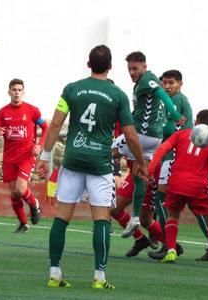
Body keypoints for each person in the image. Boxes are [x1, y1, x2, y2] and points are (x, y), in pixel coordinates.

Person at [36, 45, 147, 289]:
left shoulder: (72, 89)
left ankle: (55, 273)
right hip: (100, 163)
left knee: (62, 217)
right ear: (110, 66)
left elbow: (55, 124)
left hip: (73, 160)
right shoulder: (118, 95)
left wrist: (45, 156)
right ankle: (99, 277)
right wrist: (140, 161)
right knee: (101, 219)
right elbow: (130, 134)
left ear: (88, 64)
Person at [148, 109, 208, 265]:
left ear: (195, 122)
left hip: (175, 183)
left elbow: (162, 149)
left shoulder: (182, 134)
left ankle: (171, 251)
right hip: (198, 186)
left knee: (172, 215)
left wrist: (151, 169)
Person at [147, 70, 208, 261]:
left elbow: (167, 129)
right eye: (164, 83)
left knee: (161, 198)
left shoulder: (176, 101)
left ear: (180, 84)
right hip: (177, 155)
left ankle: (168, 244)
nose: (167, 87)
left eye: (171, 83)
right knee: (191, 203)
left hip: (174, 156)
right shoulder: (175, 101)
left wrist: (150, 131)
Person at [119, 51, 185, 238]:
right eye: (129, 69)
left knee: (109, 151)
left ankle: (90, 188)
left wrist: (173, 113)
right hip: (154, 139)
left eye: (135, 68)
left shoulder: (148, 79)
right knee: (139, 174)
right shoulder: (143, 82)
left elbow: (162, 95)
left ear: (144, 67)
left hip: (142, 134)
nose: (132, 72)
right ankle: (134, 218)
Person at [0, 79, 47, 233]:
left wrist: (39, 145)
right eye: (14, 90)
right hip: (9, 158)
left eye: (19, 90)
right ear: (9, 92)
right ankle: (23, 223)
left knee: (20, 188)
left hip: (26, 156)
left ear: (23, 92)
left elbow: (45, 127)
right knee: (14, 192)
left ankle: (34, 203)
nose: (17, 92)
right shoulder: (3, 112)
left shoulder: (32, 110)